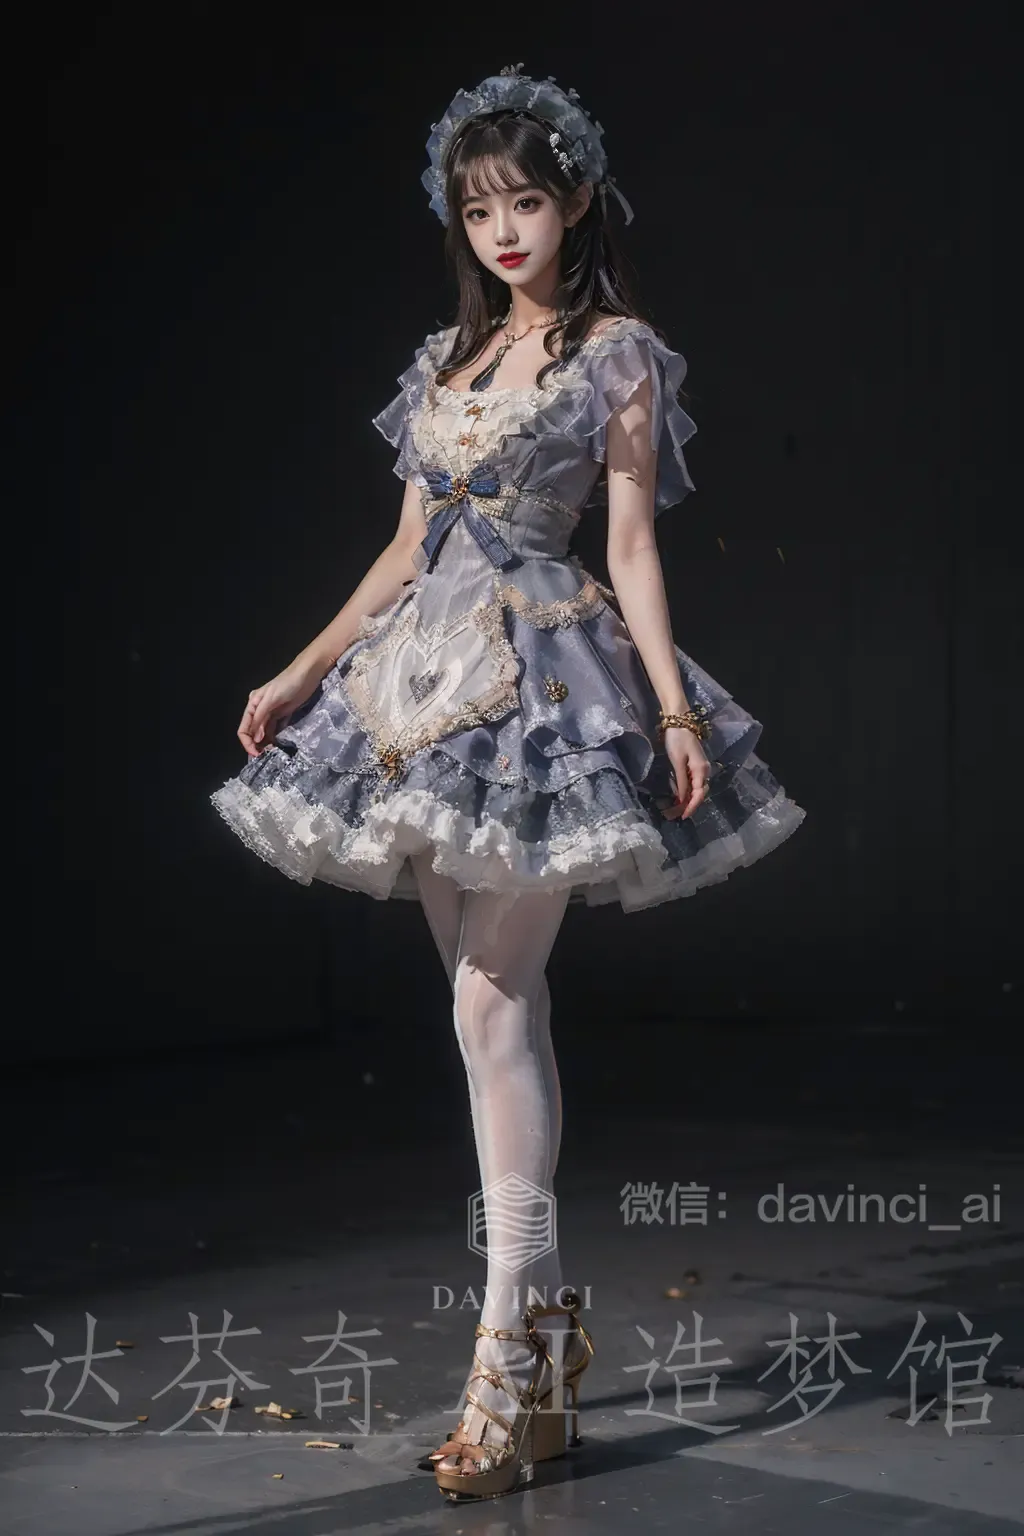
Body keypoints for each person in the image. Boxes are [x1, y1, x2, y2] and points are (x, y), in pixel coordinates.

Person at [211, 65, 806, 1501]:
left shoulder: (617, 354)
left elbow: (632, 546)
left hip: (543, 686)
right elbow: (403, 552)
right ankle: (539, 1337)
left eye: (525, 202)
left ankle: (503, 1354)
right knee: (491, 1015)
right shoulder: (447, 363)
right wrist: (297, 672)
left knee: (490, 1003)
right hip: (417, 695)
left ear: (577, 201)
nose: (503, 231)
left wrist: (673, 709)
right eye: (479, 210)